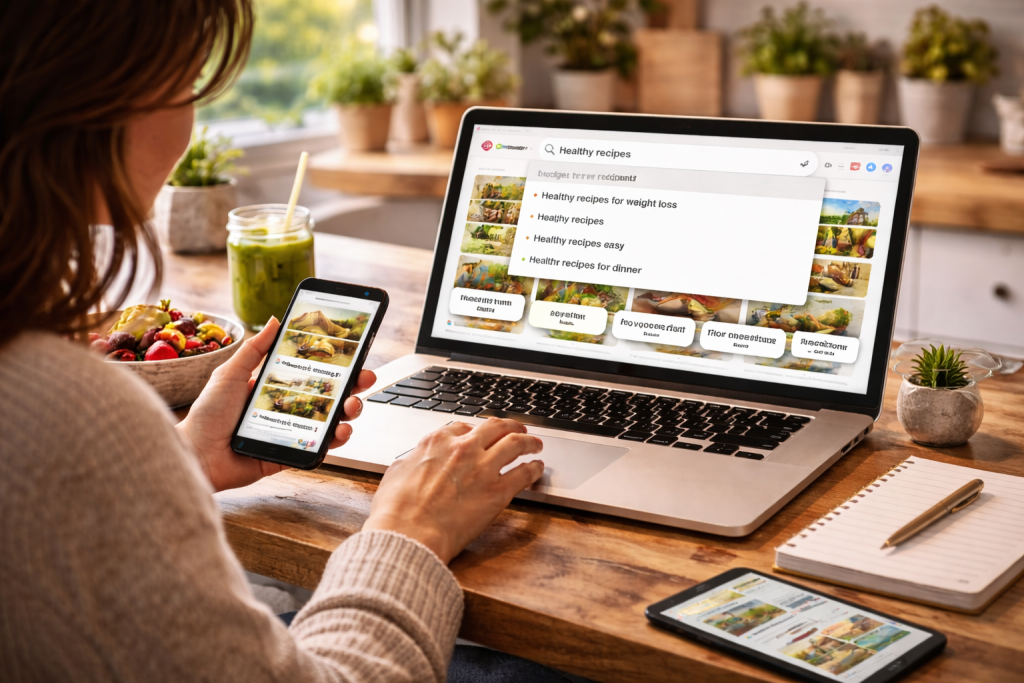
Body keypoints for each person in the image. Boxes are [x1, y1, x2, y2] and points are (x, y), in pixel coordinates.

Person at [0, 2, 567, 681]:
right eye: (187, 83)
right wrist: (408, 529)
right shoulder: (69, 412)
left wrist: (182, 460)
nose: (190, 122)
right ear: (104, 95)